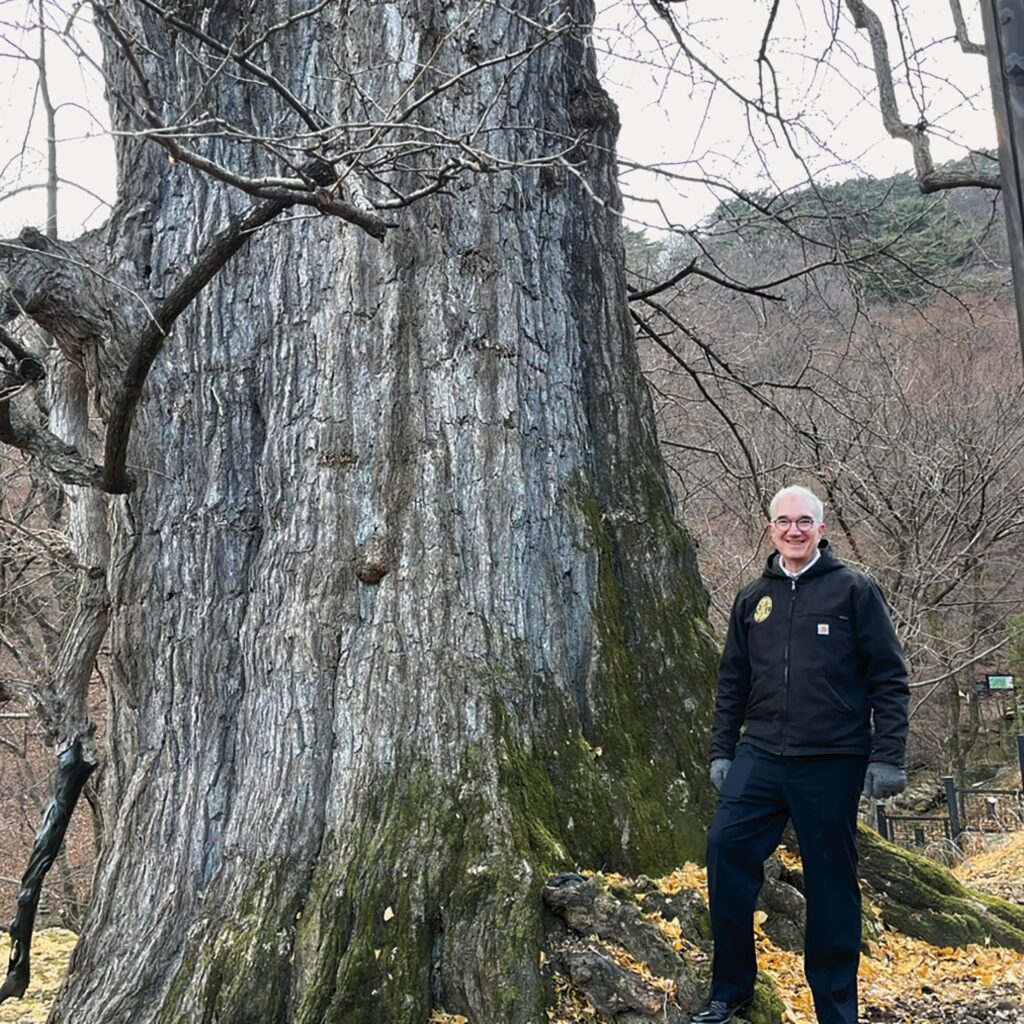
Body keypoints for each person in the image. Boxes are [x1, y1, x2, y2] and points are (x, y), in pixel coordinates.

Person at [691, 485, 910, 1024]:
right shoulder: (751, 599)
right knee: (724, 850)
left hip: (833, 760)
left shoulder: (855, 591)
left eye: (804, 521)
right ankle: (732, 988)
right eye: (784, 521)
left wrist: (889, 757)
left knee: (832, 883)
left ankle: (836, 1010)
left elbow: (890, 677)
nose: (794, 529)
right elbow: (732, 683)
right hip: (761, 755)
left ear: (821, 528)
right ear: (771, 529)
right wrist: (723, 751)